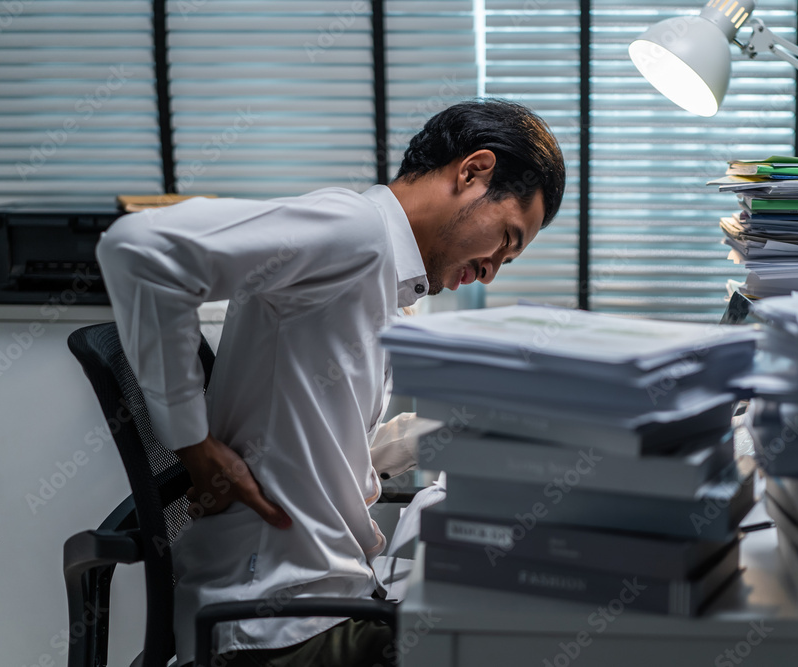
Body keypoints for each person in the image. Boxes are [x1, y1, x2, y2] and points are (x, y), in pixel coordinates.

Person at [96, 98, 566, 667]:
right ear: (473, 171)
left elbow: (325, 440)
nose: (491, 268)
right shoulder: (355, 231)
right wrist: (193, 445)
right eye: (507, 240)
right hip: (278, 625)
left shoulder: (388, 281)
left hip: (317, 601)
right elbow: (139, 247)